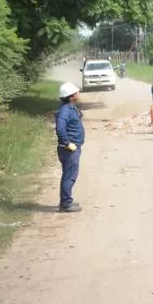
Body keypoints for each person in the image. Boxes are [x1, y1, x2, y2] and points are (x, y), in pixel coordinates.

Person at [55, 82, 85, 213]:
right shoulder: (65, 111)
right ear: (71, 96)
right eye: (77, 92)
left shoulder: (70, 107)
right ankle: (66, 203)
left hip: (73, 147)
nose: (79, 94)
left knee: (69, 175)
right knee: (69, 176)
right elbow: (60, 128)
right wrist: (67, 143)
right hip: (69, 149)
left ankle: (66, 201)